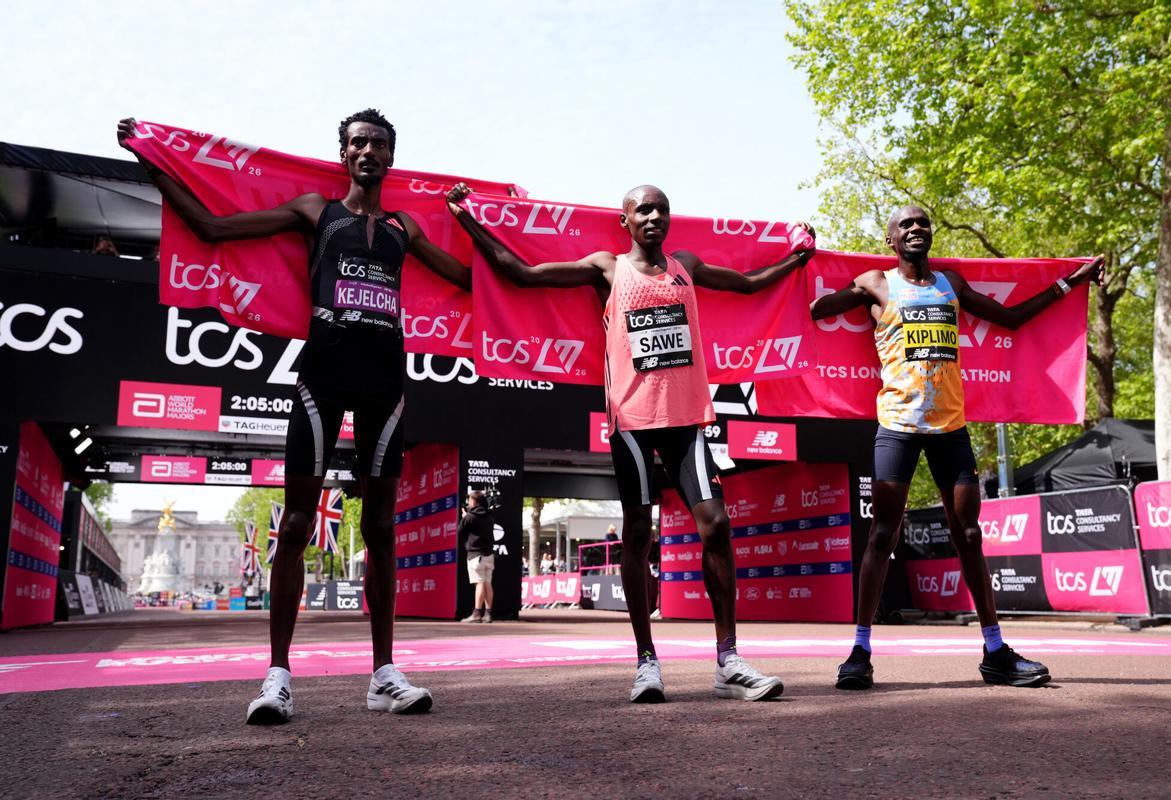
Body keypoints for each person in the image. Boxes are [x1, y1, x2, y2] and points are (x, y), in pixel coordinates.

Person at [118, 110, 474, 723]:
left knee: (382, 530)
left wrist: (474, 223)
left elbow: (471, 280)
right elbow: (209, 227)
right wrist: (153, 163)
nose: (368, 151)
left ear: (390, 157)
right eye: (358, 142)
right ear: (343, 153)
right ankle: (276, 677)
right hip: (323, 376)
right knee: (297, 523)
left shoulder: (403, 227)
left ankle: (383, 675)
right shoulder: (316, 212)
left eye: (379, 145)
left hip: (386, 381)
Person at [447, 183, 815, 703]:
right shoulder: (607, 268)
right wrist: (466, 220)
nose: (653, 216)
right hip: (633, 421)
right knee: (639, 531)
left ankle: (728, 659)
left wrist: (796, 259)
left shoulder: (685, 264)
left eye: (661, 209)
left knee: (717, 524)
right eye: (642, 209)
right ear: (625, 220)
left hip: (687, 418)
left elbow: (749, 286)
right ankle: (647, 662)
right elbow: (521, 273)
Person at [810, 205, 1104, 690]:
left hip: (950, 426)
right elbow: (817, 311)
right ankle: (859, 652)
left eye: (923, 223)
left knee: (968, 535)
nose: (915, 229)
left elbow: (1010, 319)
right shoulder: (876, 284)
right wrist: (808, 263)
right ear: (890, 239)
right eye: (905, 224)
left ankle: (995, 651)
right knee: (883, 534)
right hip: (898, 425)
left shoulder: (951, 285)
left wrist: (1070, 283)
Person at [459, 490, 496, 623]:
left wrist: (464, 517)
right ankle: (488, 613)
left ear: (474, 501)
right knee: (487, 583)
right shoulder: (489, 516)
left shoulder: (469, 517)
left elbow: (460, 531)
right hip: (489, 555)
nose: (468, 502)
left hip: (476, 555)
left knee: (479, 583)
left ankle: (476, 613)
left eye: (469, 500)